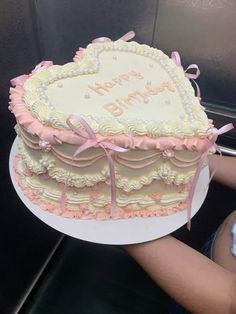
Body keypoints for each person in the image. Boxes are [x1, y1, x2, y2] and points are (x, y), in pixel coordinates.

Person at [124, 154, 236, 314]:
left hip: (211, 294)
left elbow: (230, 300)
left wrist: (129, 230)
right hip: (211, 250)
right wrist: (197, 159)